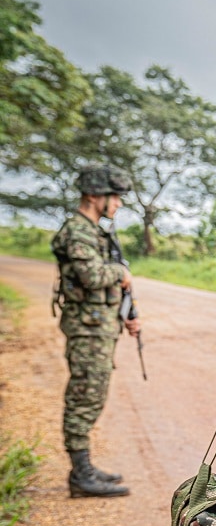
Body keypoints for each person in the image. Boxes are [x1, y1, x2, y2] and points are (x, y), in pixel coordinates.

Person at [51, 164, 141, 498]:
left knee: (93, 395)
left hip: (99, 328)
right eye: (113, 197)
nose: (117, 203)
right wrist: (119, 272)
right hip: (87, 331)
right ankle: (80, 474)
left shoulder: (95, 231)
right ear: (93, 195)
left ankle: (84, 468)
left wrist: (128, 314)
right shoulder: (78, 231)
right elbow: (91, 277)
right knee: (84, 397)